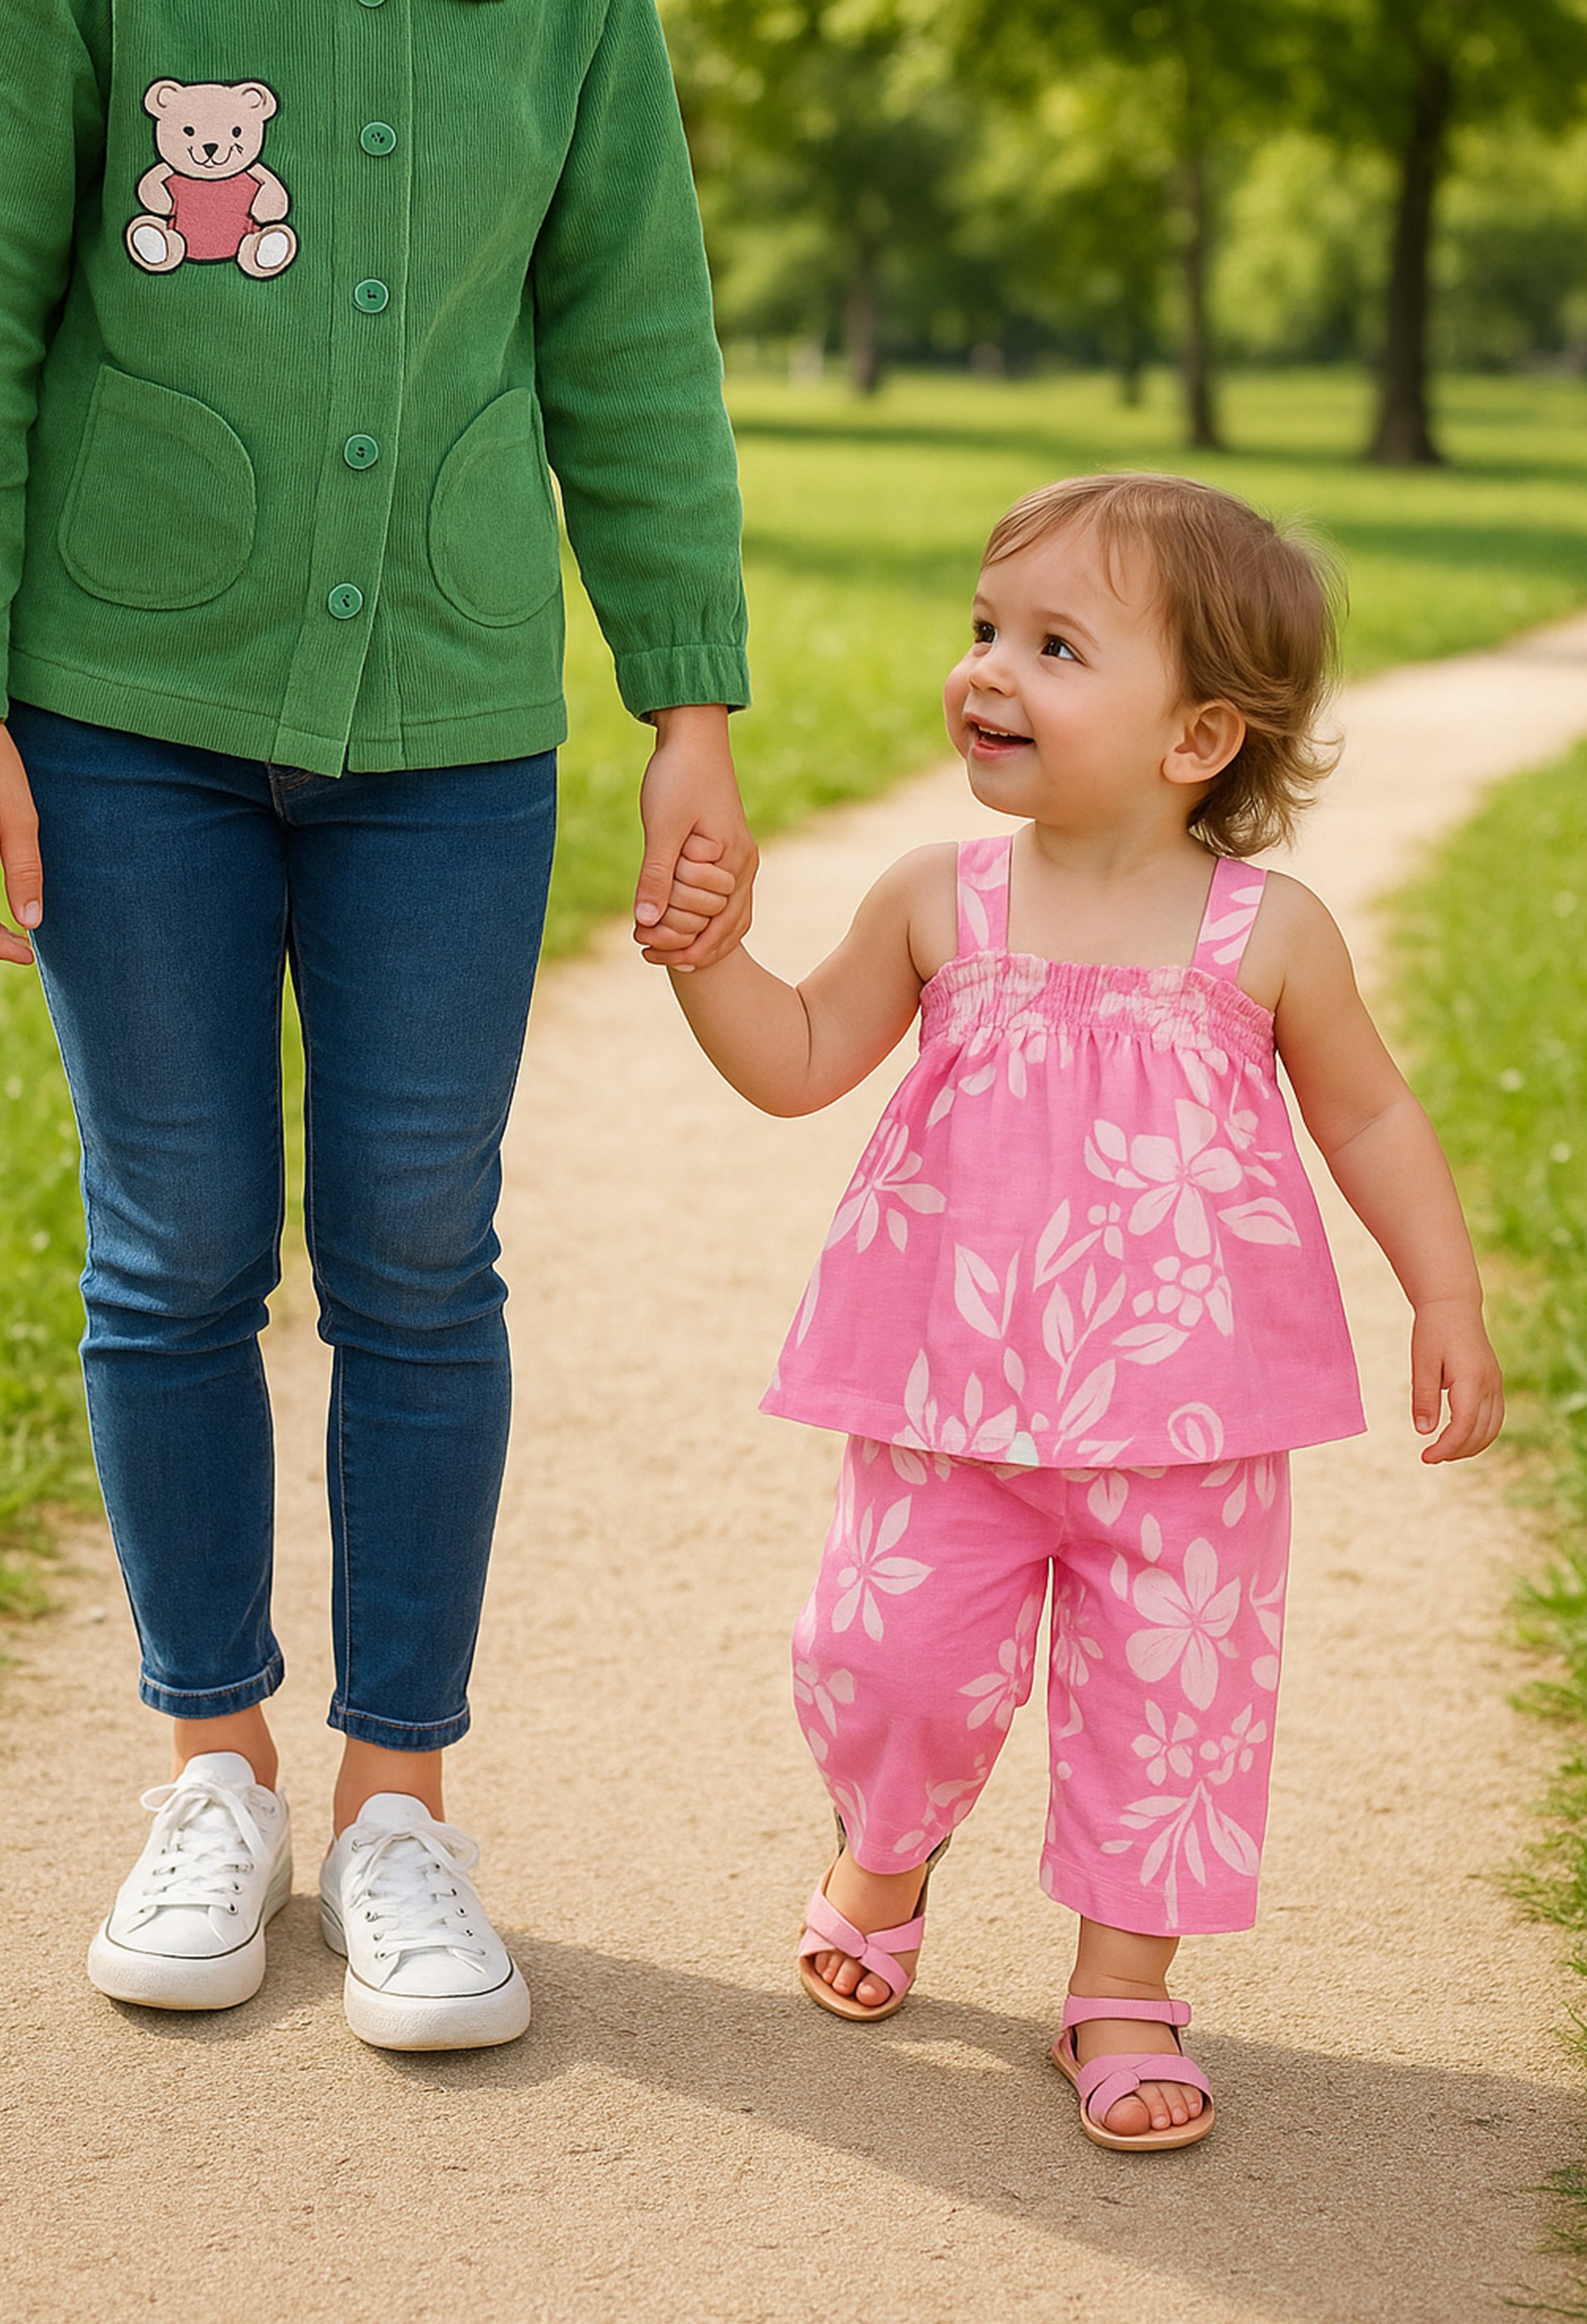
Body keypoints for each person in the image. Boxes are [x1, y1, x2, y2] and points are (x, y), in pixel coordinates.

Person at [0, 0, 754, 2049]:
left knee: (420, 1251)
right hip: (118, 705)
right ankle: (210, 1776)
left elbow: (627, 326)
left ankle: (399, 1805)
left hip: (453, 716)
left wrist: (688, 698)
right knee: (175, 1248)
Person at [652, 472, 1503, 2150]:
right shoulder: (935, 900)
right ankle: (881, 1852)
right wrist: (709, 960)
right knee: (885, 1661)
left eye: (1053, 645)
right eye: (985, 631)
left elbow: (1369, 1117)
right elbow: (800, 1060)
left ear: (1197, 737)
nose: (988, 669)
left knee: (1173, 1709)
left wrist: (1442, 1289)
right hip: (945, 1402)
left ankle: (1123, 1986)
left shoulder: (1267, 938)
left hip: (1189, 1422)